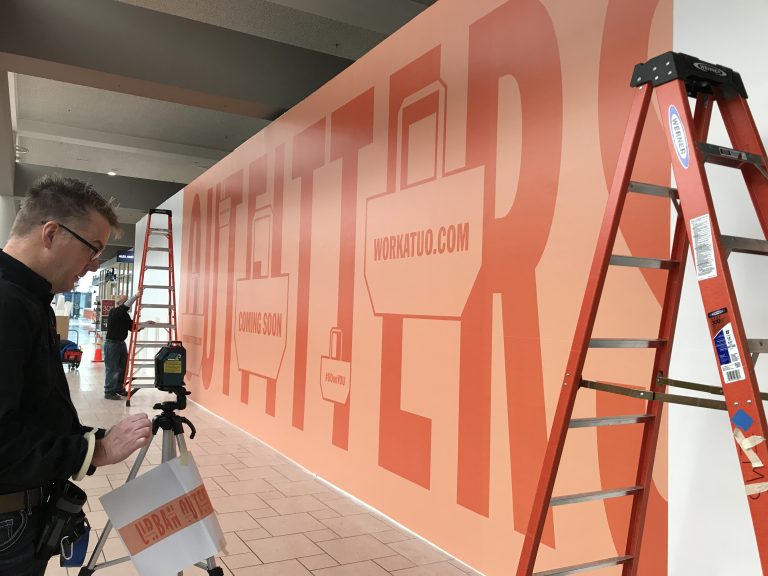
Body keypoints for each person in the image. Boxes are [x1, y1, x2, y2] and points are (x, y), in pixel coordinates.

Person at [0, 175, 152, 575]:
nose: (95, 263)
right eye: (92, 248)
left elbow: (35, 410)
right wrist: (93, 451)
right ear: (51, 233)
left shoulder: (31, 301)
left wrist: (94, 439)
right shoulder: (8, 304)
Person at [103, 290, 142, 400]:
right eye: (125, 302)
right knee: (112, 369)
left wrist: (145, 324)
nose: (127, 304)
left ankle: (119, 389)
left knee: (123, 368)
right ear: (118, 303)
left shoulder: (125, 315)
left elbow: (133, 327)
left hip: (121, 344)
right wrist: (136, 296)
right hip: (112, 344)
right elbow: (124, 307)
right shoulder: (114, 312)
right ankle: (109, 392)